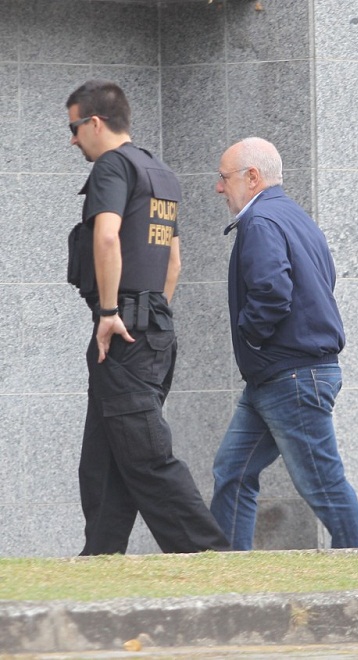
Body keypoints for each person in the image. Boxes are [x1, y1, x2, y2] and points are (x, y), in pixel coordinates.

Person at [66, 80, 229, 555]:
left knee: (146, 456)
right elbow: (174, 262)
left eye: (75, 127)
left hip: (124, 331)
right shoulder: (158, 171)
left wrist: (114, 312)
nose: (72, 139)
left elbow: (108, 238)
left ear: (95, 122)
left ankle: (208, 555)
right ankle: (100, 554)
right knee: (103, 457)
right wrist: (151, 313)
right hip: (152, 328)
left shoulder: (112, 167)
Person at [209, 137, 358, 551]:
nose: (219, 188)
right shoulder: (295, 217)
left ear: (252, 177)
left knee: (324, 486)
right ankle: (225, 574)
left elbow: (271, 293)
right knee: (233, 470)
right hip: (281, 375)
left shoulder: (261, 222)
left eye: (224, 178)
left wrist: (252, 335)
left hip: (290, 375)